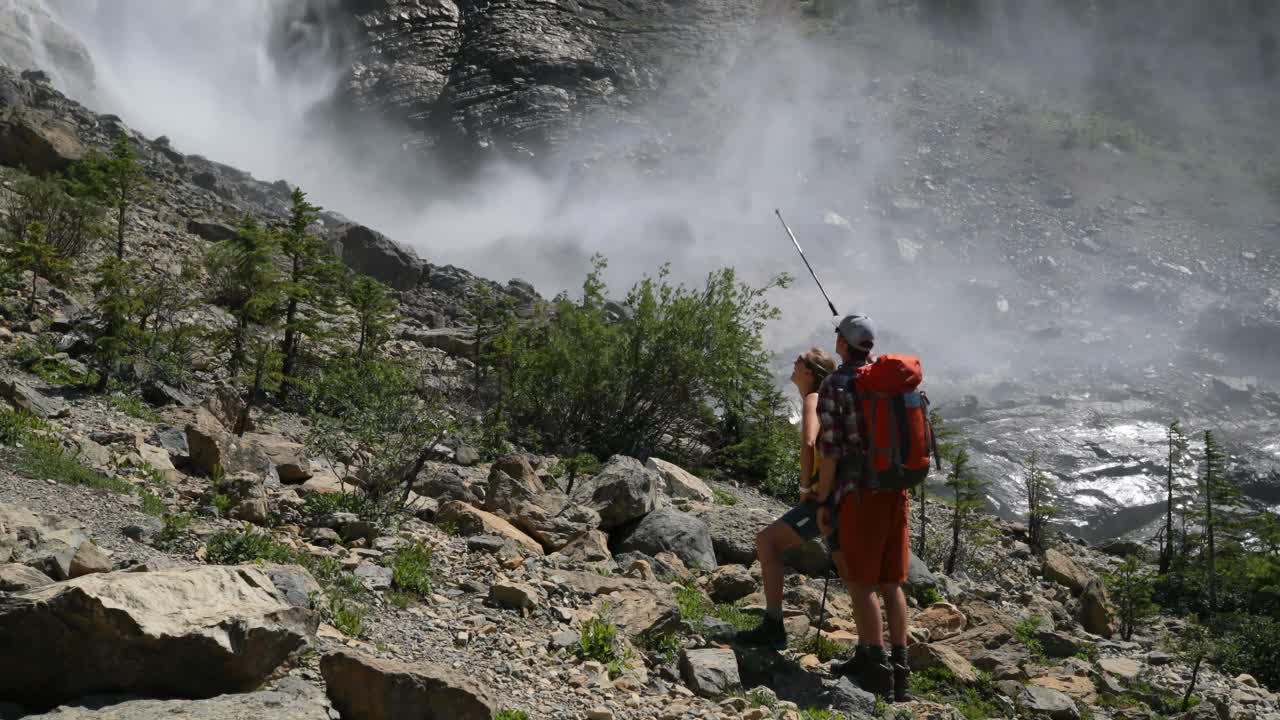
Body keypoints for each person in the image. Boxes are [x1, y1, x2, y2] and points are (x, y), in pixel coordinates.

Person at [815, 313, 911, 701]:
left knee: (860, 582)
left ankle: (875, 669)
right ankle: (900, 672)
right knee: (891, 583)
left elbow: (830, 450)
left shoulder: (835, 383)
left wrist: (823, 499)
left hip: (859, 494)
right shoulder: (889, 381)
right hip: (896, 491)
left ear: (842, 344)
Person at [734, 347, 839, 650]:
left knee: (767, 541)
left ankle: (773, 625)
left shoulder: (813, 400)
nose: (794, 363)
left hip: (821, 498)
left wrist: (806, 490)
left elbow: (808, 444)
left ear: (809, 372)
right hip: (839, 497)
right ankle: (877, 654)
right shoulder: (831, 402)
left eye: (799, 361)